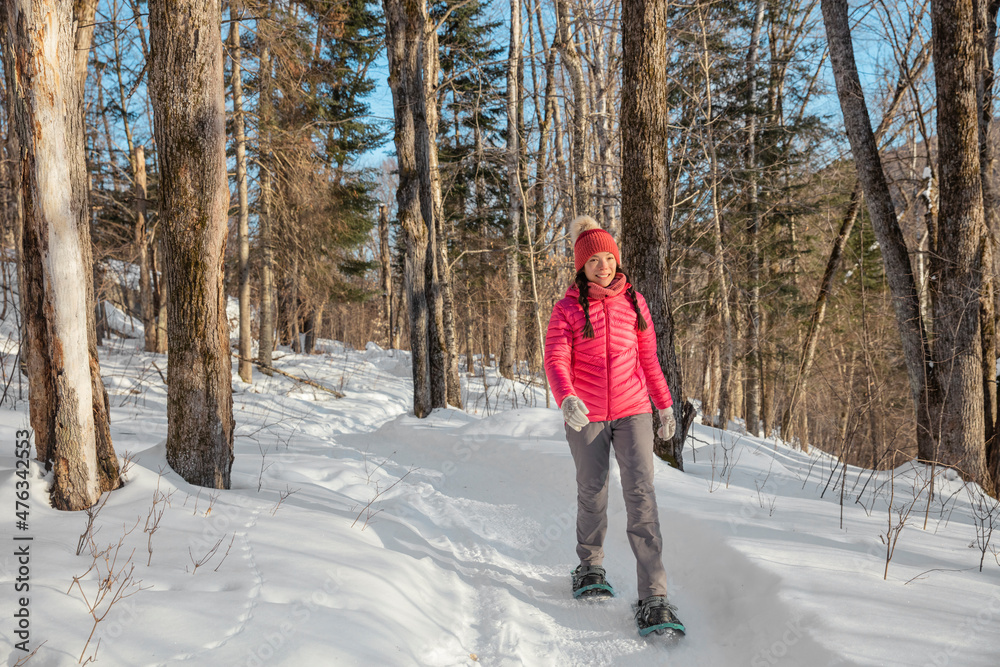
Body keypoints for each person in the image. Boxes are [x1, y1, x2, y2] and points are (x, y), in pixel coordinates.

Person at [543, 215, 684, 636]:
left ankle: (654, 597)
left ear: (617, 260)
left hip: (633, 409)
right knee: (594, 490)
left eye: (608, 257)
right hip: (585, 413)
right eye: (593, 260)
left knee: (641, 494)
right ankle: (589, 567)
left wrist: (664, 406)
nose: (602, 266)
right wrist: (566, 396)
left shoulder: (636, 304)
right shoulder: (567, 308)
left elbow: (649, 361)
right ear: (581, 266)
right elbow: (556, 359)